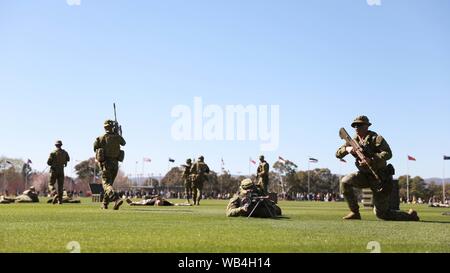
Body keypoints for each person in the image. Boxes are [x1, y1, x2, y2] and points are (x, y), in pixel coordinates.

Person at [336, 115, 419, 221]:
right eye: (355, 125)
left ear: (367, 126)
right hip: (365, 175)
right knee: (345, 182)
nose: (357, 127)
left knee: (382, 214)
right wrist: (347, 149)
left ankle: (410, 216)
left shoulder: (376, 138)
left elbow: (388, 154)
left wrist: (372, 159)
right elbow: (338, 154)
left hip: (379, 177)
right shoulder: (353, 141)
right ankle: (354, 212)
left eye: (360, 125)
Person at [94, 120, 126, 210]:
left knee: (106, 184)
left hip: (106, 163)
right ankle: (105, 204)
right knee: (110, 184)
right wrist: (118, 133)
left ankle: (116, 199)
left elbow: (94, 147)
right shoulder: (117, 137)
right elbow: (123, 143)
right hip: (115, 163)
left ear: (105, 127)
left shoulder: (101, 137)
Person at [47, 140, 70, 205]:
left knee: (50, 184)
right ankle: (60, 201)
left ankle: (55, 193)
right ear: (61, 145)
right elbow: (68, 159)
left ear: (55, 145)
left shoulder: (53, 153)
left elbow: (48, 162)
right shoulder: (65, 152)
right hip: (61, 170)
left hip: (54, 170)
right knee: (60, 186)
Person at [125, 195, 192, 207]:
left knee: (140, 202)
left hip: (148, 200)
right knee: (142, 201)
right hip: (149, 199)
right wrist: (186, 204)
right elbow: (177, 204)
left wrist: (133, 204)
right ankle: (132, 202)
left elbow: (141, 204)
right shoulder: (165, 202)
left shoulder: (150, 203)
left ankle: (132, 202)